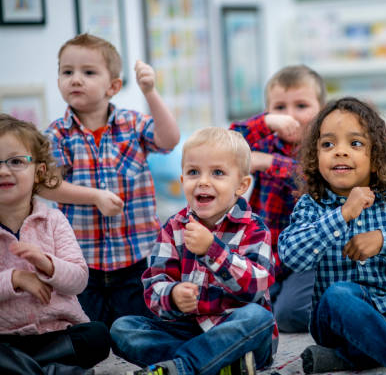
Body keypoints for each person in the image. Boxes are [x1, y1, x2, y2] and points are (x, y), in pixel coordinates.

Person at [279, 98, 386, 375]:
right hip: (337, 320)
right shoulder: (311, 205)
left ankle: (343, 359)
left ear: (376, 160)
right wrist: (342, 214)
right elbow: (292, 255)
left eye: (355, 144)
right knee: (338, 293)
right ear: (315, 159)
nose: (340, 152)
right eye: (328, 144)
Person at [110, 127, 277, 375]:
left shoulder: (254, 228)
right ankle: (220, 366)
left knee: (258, 318)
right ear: (182, 181)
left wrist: (213, 250)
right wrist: (173, 294)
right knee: (123, 329)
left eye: (218, 173)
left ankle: (182, 366)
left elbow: (257, 286)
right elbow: (154, 284)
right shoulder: (174, 228)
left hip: (235, 329)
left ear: (241, 185)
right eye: (193, 172)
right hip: (186, 329)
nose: (203, 181)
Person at [42, 33, 180, 328]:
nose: (75, 79)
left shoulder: (132, 123)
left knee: (138, 329)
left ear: (113, 86)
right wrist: (94, 196)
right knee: (89, 332)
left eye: (88, 72)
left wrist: (150, 92)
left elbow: (169, 140)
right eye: (67, 72)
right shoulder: (56, 134)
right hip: (81, 262)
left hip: (136, 259)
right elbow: (47, 185)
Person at [0, 114, 111, 374]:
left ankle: (28, 370)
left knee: (98, 335)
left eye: (16, 161)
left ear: (39, 172)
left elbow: (79, 280)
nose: (3, 170)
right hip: (5, 338)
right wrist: (15, 278)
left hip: (58, 333)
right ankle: (52, 371)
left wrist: (47, 265)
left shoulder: (54, 220)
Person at [230, 64, 325, 333]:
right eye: (280, 108)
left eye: (301, 105)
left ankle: (336, 305)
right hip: (267, 253)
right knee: (235, 302)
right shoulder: (265, 142)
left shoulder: (326, 146)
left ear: (321, 110)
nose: (290, 116)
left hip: (309, 256)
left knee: (289, 315)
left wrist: (269, 163)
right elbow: (226, 142)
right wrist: (266, 123)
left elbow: (314, 181)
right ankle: (274, 297)